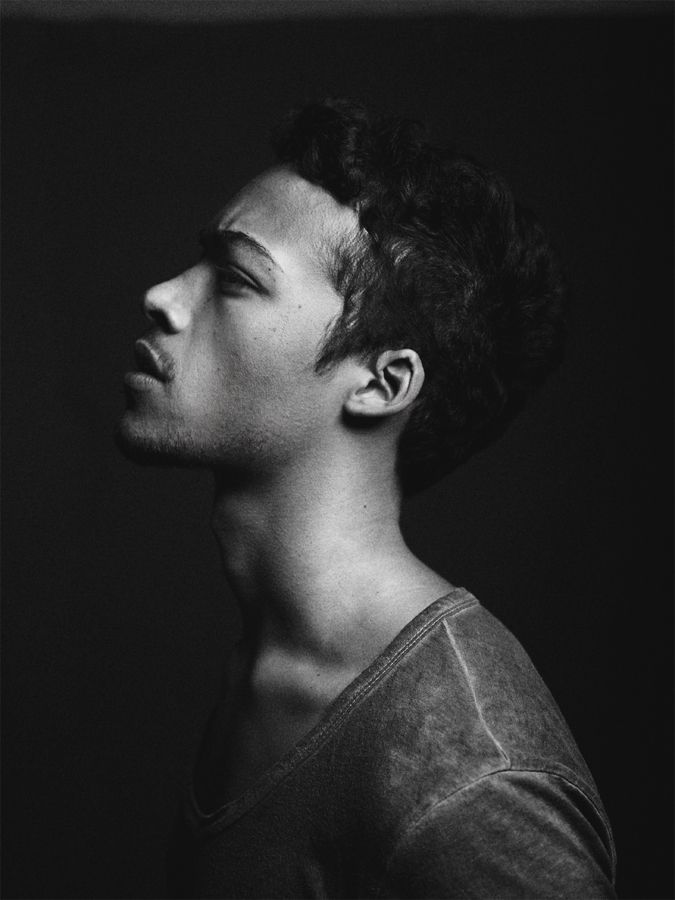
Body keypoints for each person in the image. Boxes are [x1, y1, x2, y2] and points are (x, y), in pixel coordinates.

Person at [117, 98, 616, 898]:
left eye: (236, 279)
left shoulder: (471, 779)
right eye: (195, 263)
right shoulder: (272, 661)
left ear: (382, 384)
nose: (164, 297)